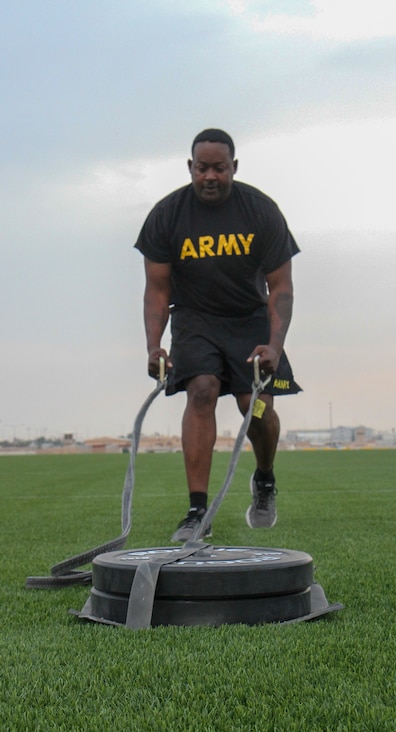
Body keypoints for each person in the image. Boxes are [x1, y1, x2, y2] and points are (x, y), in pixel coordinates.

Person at [135, 129, 302, 542]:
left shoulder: (261, 212)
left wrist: (275, 347)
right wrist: (154, 346)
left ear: (234, 168)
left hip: (249, 321)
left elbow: (280, 288)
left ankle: (264, 479)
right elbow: (157, 291)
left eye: (219, 168)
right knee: (202, 390)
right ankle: (196, 513)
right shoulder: (167, 215)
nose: (210, 175)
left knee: (256, 409)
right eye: (202, 167)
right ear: (190, 168)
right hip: (196, 321)